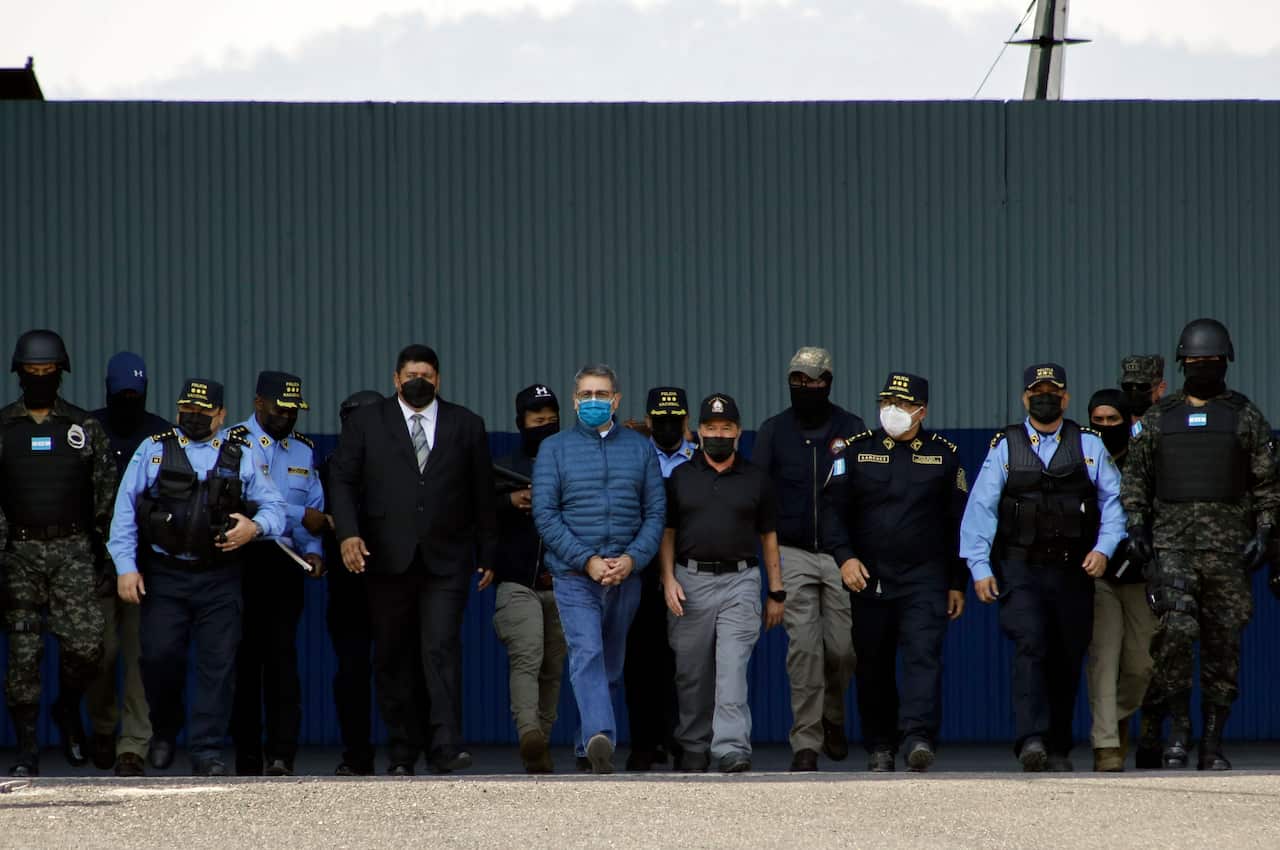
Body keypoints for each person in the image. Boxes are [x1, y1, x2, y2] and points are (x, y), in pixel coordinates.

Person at [329, 345, 496, 776]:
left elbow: (482, 494)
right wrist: (349, 533)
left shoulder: (467, 424)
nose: (417, 380)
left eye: (426, 374)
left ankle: (444, 747)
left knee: (440, 649)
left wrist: (488, 551)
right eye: (410, 374)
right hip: (385, 559)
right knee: (393, 654)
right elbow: (342, 481)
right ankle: (403, 750)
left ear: (438, 379)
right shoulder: (368, 422)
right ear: (395, 379)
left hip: (448, 558)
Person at [108, 378, 287, 776]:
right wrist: (126, 567)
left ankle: (206, 749)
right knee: (157, 657)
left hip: (219, 576)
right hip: (166, 574)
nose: (192, 417)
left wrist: (254, 528)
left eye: (203, 412)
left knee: (217, 665)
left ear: (220, 415)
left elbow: (276, 507)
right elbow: (124, 512)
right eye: (186, 409)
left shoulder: (241, 454)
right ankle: (166, 728)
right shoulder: (154, 450)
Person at [1123, 319, 1278, 771]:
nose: (1203, 368)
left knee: (1222, 645)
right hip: (1171, 547)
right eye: (1195, 362)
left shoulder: (1244, 416)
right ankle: (1178, 729)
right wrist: (1136, 527)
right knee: (1175, 634)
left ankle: (1213, 739)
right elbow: (1136, 480)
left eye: (1210, 362)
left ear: (1224, 363)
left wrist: (1265, 533)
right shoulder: (1159, 418)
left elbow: (1268, 483)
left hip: (1229, 552)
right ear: (1182, 364)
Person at [960, 363, 1124, 772]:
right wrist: (980, 566)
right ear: (1025, 398)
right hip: (1022, 567)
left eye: (1053, 391)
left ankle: (1059, 743)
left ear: (1066, 398)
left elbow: (1114, 503)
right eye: (1038, 391)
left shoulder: (1089, 445)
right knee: (1030, 643)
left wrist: (1103, 549)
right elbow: (980, 508)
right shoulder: (1005, 446)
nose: (1045, 397)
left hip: (1074, 570)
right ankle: (1031, 739)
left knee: (1067, 656)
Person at [820, 372, 968, 773]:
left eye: (903, 404)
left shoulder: (944, 455)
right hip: (868, 577)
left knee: (923, 658)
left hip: (926, 577)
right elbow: (832, 512)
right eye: (888, 402)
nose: (894, 411)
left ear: (921, 410)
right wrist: (845, 558)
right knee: (873, 663)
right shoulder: (855, 451)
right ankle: (880, 744)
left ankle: (917, 737)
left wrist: (957, 582)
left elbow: (959, 524)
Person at [532, 364, 665, 775]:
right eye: (586, 395)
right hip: (575, 576)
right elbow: (545, 513)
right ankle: (601, 734)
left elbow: (655, 512)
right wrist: (587, 560)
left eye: (601, 394)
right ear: (574, 401)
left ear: (616, 400)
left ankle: (585, 744)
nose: (593, 401)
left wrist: (631, 560)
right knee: (587, 654)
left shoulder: (641, 448)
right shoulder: (554, 449)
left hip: (626, 574)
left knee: (610, 663)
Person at [0, 330, 118, 777]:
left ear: (61, 374)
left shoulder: (83, 428)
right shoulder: (4, 427)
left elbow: (105, 492)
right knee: (23, 655)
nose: (40, 379)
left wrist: (107, 556)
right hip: (19, 554)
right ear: (19, 375)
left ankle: (67, 708)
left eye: (48, 372)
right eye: (33, 372)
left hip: (73, 549)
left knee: (89, 648)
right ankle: (27, 749)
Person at [751, 346, 863, 771]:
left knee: (842, 650)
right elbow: (761, 503)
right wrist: (774, 576)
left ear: (828, 382)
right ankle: (806, 742)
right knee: (804, 650)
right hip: (792, 552)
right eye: (798, 380)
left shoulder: (851, 428)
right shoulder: (773, 431)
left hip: (840, 554)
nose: (805, 386)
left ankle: (833, 715)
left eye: (814, 380)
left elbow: (862, 494)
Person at [660, 393, 783, 773]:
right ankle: (694, 745)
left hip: (741, 582)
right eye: (711, 428)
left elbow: (769, 537)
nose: (718, 434)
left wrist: (776, 592)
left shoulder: (756, 479)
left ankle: (730, 747)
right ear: (698, 431)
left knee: (731, 669)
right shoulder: (679, 477)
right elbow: (667, 533)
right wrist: (667, 579)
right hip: (689, 580)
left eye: (725, 428)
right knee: (692, 673)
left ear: (738, 432)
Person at [230, 371, 326, 777]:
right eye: (279, 407)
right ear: (258, 403)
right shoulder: (231, 443)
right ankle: (247, 756)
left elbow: (315, 510)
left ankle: (282, 753)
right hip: (240, 561)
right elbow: (242, 502)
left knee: (282, 661)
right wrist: (295, 514)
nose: (287, 415)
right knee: (244, 661)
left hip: (286, 564)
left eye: (293, 409)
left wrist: (314, 549)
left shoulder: (303, 450)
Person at [85, 352, 170, 776]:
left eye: (135, 394)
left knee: (139, 656)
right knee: (101, 652)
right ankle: (102, 726)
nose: (128, 401)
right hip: (95, 564)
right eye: (122, 394)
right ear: (108, 391)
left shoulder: (160, 435)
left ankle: (133, 744)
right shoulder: (87, 429)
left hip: (146, 566)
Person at [492, 384, 566, 773]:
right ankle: (529, 732)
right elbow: (475, 511)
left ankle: (542, 745)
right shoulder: (502, 467)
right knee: (528, 656)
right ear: (521, 423)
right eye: (538, 421)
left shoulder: (572, 463)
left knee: (553, 668)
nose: (546, 427)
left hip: (564, 584)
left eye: (552, 420)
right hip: (518, 582)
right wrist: (509, 500)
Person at [623, 386, 697, 771]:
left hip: (687, 569)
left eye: (675, 421)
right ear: (649, 422)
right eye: (660, 421)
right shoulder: (633, 455)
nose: (667, 427)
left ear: (686, 422)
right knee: (640, 661)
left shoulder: (702, 458)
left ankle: (679, 739)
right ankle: (643, 743)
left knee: (683, 662)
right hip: (641, 569)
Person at [1083, 389, 1155, 772]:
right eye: (1099, 419)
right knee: (1104, 660)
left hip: (1140, 574)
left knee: (1142, 664)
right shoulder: (1082, 454)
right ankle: (1106, 745)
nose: (1105, 427)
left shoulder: (1146, 456)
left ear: (1127, 421)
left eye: (1113, 420)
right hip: (1099, 573)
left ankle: (1118, 715)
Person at [322, 389, 388, 776]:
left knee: (398, 669)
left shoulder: (402, 464)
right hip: (348, 588)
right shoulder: (331, 466)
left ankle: (403, 755)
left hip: (394, 583)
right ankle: (357, 754)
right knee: (351, 672)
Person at [1119, 355, 1168, 422]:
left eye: (1142, 387)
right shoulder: (1116, 421)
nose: (1134, 393)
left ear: (1161, 388)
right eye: (1127, 386)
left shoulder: (1170, 422)